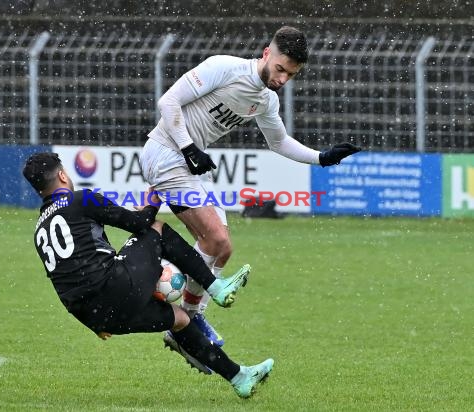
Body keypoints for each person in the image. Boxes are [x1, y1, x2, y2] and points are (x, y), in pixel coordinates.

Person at [140, 25, 361, 346]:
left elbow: (279, 141)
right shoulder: (224, 68)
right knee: (213, 238)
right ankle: (173, 302)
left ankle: (187, 323)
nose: (283, 79)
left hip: (190, 164)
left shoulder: (267, 100)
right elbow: (168, 102)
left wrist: (323, 158)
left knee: (222, 249)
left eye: (291, 75)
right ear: (266, 53)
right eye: (280, 69)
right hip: (166, 152)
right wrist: (189, 148)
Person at [22, 152, 273, 398]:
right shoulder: (82, 199)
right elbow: (139, 223)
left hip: (97, 317)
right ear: (63, 175)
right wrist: (152, 200)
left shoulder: (39, 230)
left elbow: (65, 289)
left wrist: (93, 324)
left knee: (180, 320)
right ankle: (215, 286)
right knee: (157, 228)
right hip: (116, 286)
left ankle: (239, 377)